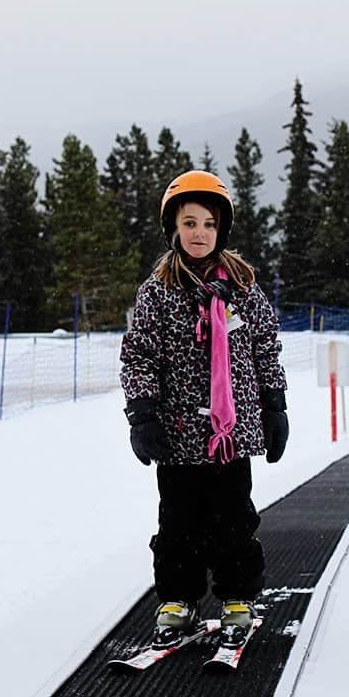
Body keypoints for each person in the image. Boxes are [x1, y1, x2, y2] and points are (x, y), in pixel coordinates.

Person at [119, 170, 288, 648]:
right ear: (173, 227)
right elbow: (139, 356)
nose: (199, 233)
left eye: (209, 224)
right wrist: (142, 415)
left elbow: (264, 350)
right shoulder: (159, 291)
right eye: (189, 222)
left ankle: (237, 597)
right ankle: (179, 599)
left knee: (234, 520)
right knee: (178, 523)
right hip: (176, 434)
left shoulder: (243, 288)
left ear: (222, 230)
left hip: (231, 434)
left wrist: (275, 407)